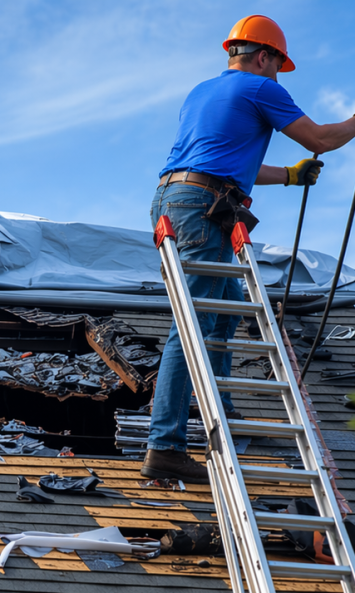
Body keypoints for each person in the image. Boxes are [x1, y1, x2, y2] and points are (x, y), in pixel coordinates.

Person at [140, 14, 355, 484]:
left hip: (178, 199)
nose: (279, 76)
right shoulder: (262, 89)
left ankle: (224, 413)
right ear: (264, 57)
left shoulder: (202, 92)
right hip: (202, 206)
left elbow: (227, 162)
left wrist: (291, 175)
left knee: (227, 308)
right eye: (278, 66)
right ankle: (165, 446)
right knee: (195, 323)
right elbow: (321, 138)